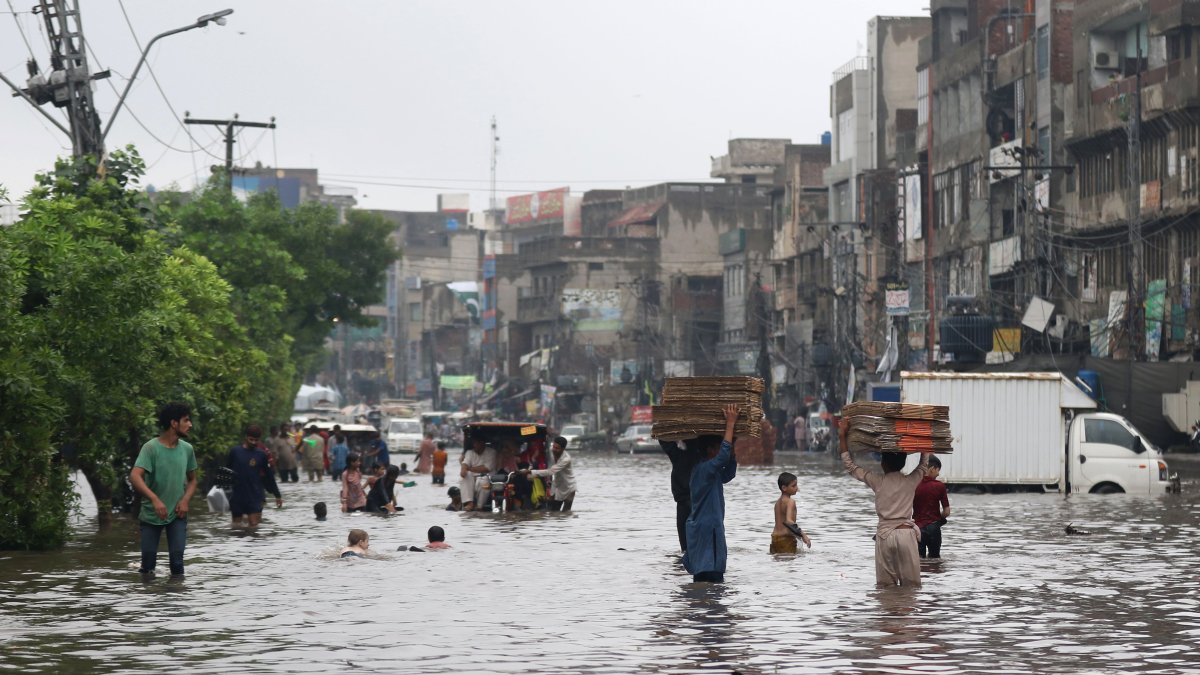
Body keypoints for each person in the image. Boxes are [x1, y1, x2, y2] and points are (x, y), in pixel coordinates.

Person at [838, 418, 932, 587]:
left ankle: (888, 613)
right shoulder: (911, 480)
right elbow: (924, 465)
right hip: (905, 534)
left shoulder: (877, 481)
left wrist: (842, 435)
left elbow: (850, 466)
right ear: (903, 463)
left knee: (885, 589)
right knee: (911, 588)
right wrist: (923, 438)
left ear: (882, 463)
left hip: (884, 536)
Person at [129, 402, 197, 579]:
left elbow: (192, 480)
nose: (190, 425)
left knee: (177, 562)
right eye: (186, 420)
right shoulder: (151, 448)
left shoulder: (187, 449)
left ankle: (176, 601)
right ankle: (150, 603)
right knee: (148, 565)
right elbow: (135, 476)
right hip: (152, 514)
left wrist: (185, 501)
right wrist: (154, 499)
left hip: (177, 513)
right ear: (174, 423)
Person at [682, 404, 739, 584]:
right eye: (718, 447)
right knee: (708, 580)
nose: (721, 451)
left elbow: (729, 472)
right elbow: (723, 457)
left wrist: (733, 443)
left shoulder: (711, 473)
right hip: (705, 530)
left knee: (710, 582)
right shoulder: (703, 470)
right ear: (709, 450)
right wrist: (730, 424)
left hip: (710, 529)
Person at [226, 424, 283, 528]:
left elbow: (269, 476)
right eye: (251, 439)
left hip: (254, 496)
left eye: (256, 440)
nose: (253, 442)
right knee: (236, 527)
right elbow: (227, 472)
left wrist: (277, 495)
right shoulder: (235, 452)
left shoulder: (261, 455)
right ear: (246, 437)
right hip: (237, 496)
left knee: (253, 525)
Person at [659, 437, 708, 553]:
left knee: (686, 548)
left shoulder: (678, 455)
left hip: (686, 500)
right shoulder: (703, 458)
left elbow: (663, 438)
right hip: (698, 501)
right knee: (699, 545)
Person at [913, 455, 951, 559]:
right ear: (932, 469)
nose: (938, 474)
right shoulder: (940, 486)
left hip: (917, 528)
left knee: (918, 560)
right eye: (938, 470)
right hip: (934, 528)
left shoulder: (913, 484)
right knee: (935, 560)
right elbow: (947, 511)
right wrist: (939, 519)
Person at [530, 435, 576, 511]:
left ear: (563, 449)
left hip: (569, 488)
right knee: (554, 512)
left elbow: (550, 471)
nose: (554, 449)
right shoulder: (551, 452)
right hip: (558, 486)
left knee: (566, 514)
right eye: (553, 447)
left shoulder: (566, 459)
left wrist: (531, 472)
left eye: (557, 448)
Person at [771, 472, 812, 553]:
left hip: (775, 538)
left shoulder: (777, 503)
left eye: (796, 485)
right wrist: (803, 535)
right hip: (786, 539)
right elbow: (789, 521)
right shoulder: (790, 502)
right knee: (789, 563)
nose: (796, 488)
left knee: (778, 562)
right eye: (793, 486)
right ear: (784, 488)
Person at [459, 439, 498, 511]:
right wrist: (463, 470)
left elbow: (487, 468)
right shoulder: (469, 452)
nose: (474, 445)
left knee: (483, 481)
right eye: (474, 443)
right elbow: (465, 463)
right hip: (473, 476)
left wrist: (470, 468)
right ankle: (469, 503)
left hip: (487, 476)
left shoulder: (491, 452)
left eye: (476, 443)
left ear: (482, 443)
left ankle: (479, 506)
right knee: (465, 477)